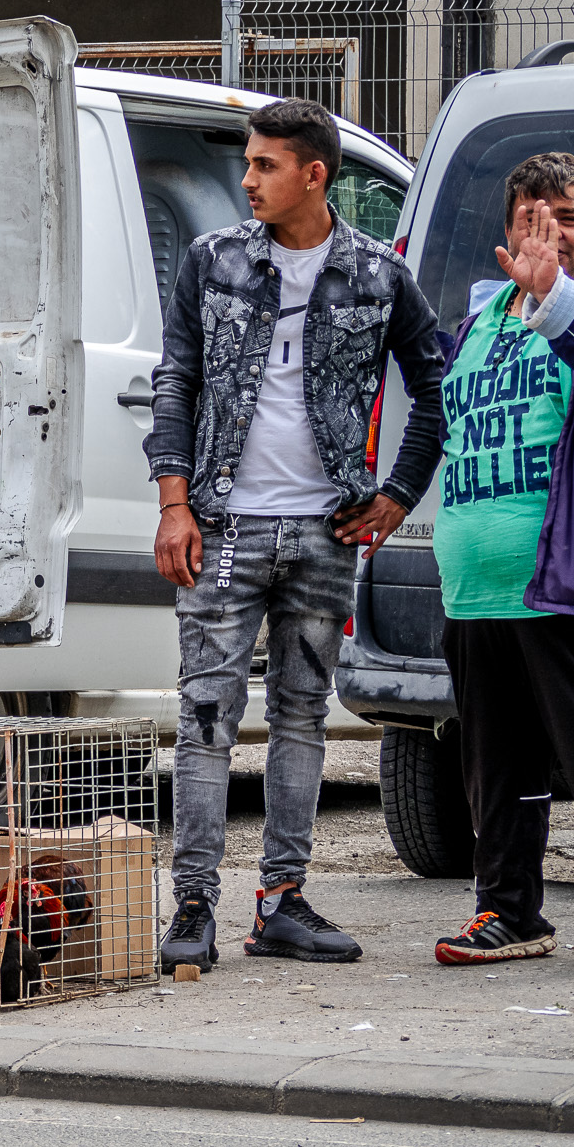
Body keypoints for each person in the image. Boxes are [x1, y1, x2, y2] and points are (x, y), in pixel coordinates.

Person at [145, 98, 445, 973]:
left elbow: (435, 386)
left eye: (264, 165)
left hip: (326, 529)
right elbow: (176, 380)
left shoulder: (379, 275)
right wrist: (174, 503)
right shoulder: (213, 261)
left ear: (315, 174)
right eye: (249, 162)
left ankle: (281, 900)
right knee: (206, 715)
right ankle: (192, 905)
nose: (248, 179)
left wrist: (397, 495)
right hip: (222, 525)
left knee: (304, 716)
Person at [431, 153, 574, 965]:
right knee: (499, 770)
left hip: (558, 587)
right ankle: (511, 913)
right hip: (476, 589)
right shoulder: (479, 323)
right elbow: (440, 428)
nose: (548, 232)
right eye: (532, 217)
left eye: (566, 217)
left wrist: (555, 301)